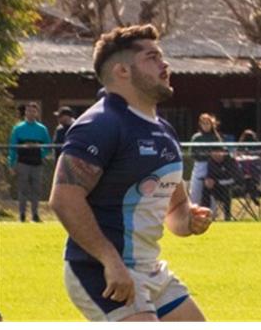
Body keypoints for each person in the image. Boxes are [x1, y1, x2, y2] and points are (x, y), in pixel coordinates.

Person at [49, 24, 213, 321]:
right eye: (152, 58)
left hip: (150, 270)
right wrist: (111, 261)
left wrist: (189, 220)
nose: (165, 64)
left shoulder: (164, 131)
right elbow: (64, 199)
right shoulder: (100, 124)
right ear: (122, 71)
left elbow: (175, 207)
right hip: (101, 270)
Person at [9, 102, 51, 222]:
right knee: (22, 189)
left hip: (37, 163)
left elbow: (48, 146)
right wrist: (11, 163)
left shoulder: (42, 129)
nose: (30, 113)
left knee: (36, 189)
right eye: (28, 111)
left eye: (33, 111)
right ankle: (22, 214)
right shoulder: (18, 128)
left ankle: (35, 214)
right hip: (22, 162)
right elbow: (13, 146)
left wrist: (40, 153)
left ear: (36, 113)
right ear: (25, 113)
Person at [188, 113, 221, 206]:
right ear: (200, 124)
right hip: (199, 166)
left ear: (211, 124)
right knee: (195, 193)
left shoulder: (215, 138)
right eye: (204, 123)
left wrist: (212, 157)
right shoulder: (196, 137)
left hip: (213, 167)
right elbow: (192, 153)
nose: (206, 126)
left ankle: (212, 215)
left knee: (212, 194)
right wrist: (205, 155)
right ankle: (194, 214)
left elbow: (220, 153)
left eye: (208, 123)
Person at [202, 148, 239, 221]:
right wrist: (208, 181)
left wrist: (216, 182)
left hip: (233, 187)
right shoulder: (211, 162)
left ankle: (227, 217)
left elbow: (234, 179)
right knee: (205, 188)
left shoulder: (230, 161)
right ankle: (205, 215)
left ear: (223, 152)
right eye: (213, 152)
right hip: (217, 187)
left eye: (218, 152)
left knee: (227, 191)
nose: (215, 155)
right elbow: (210, 176)